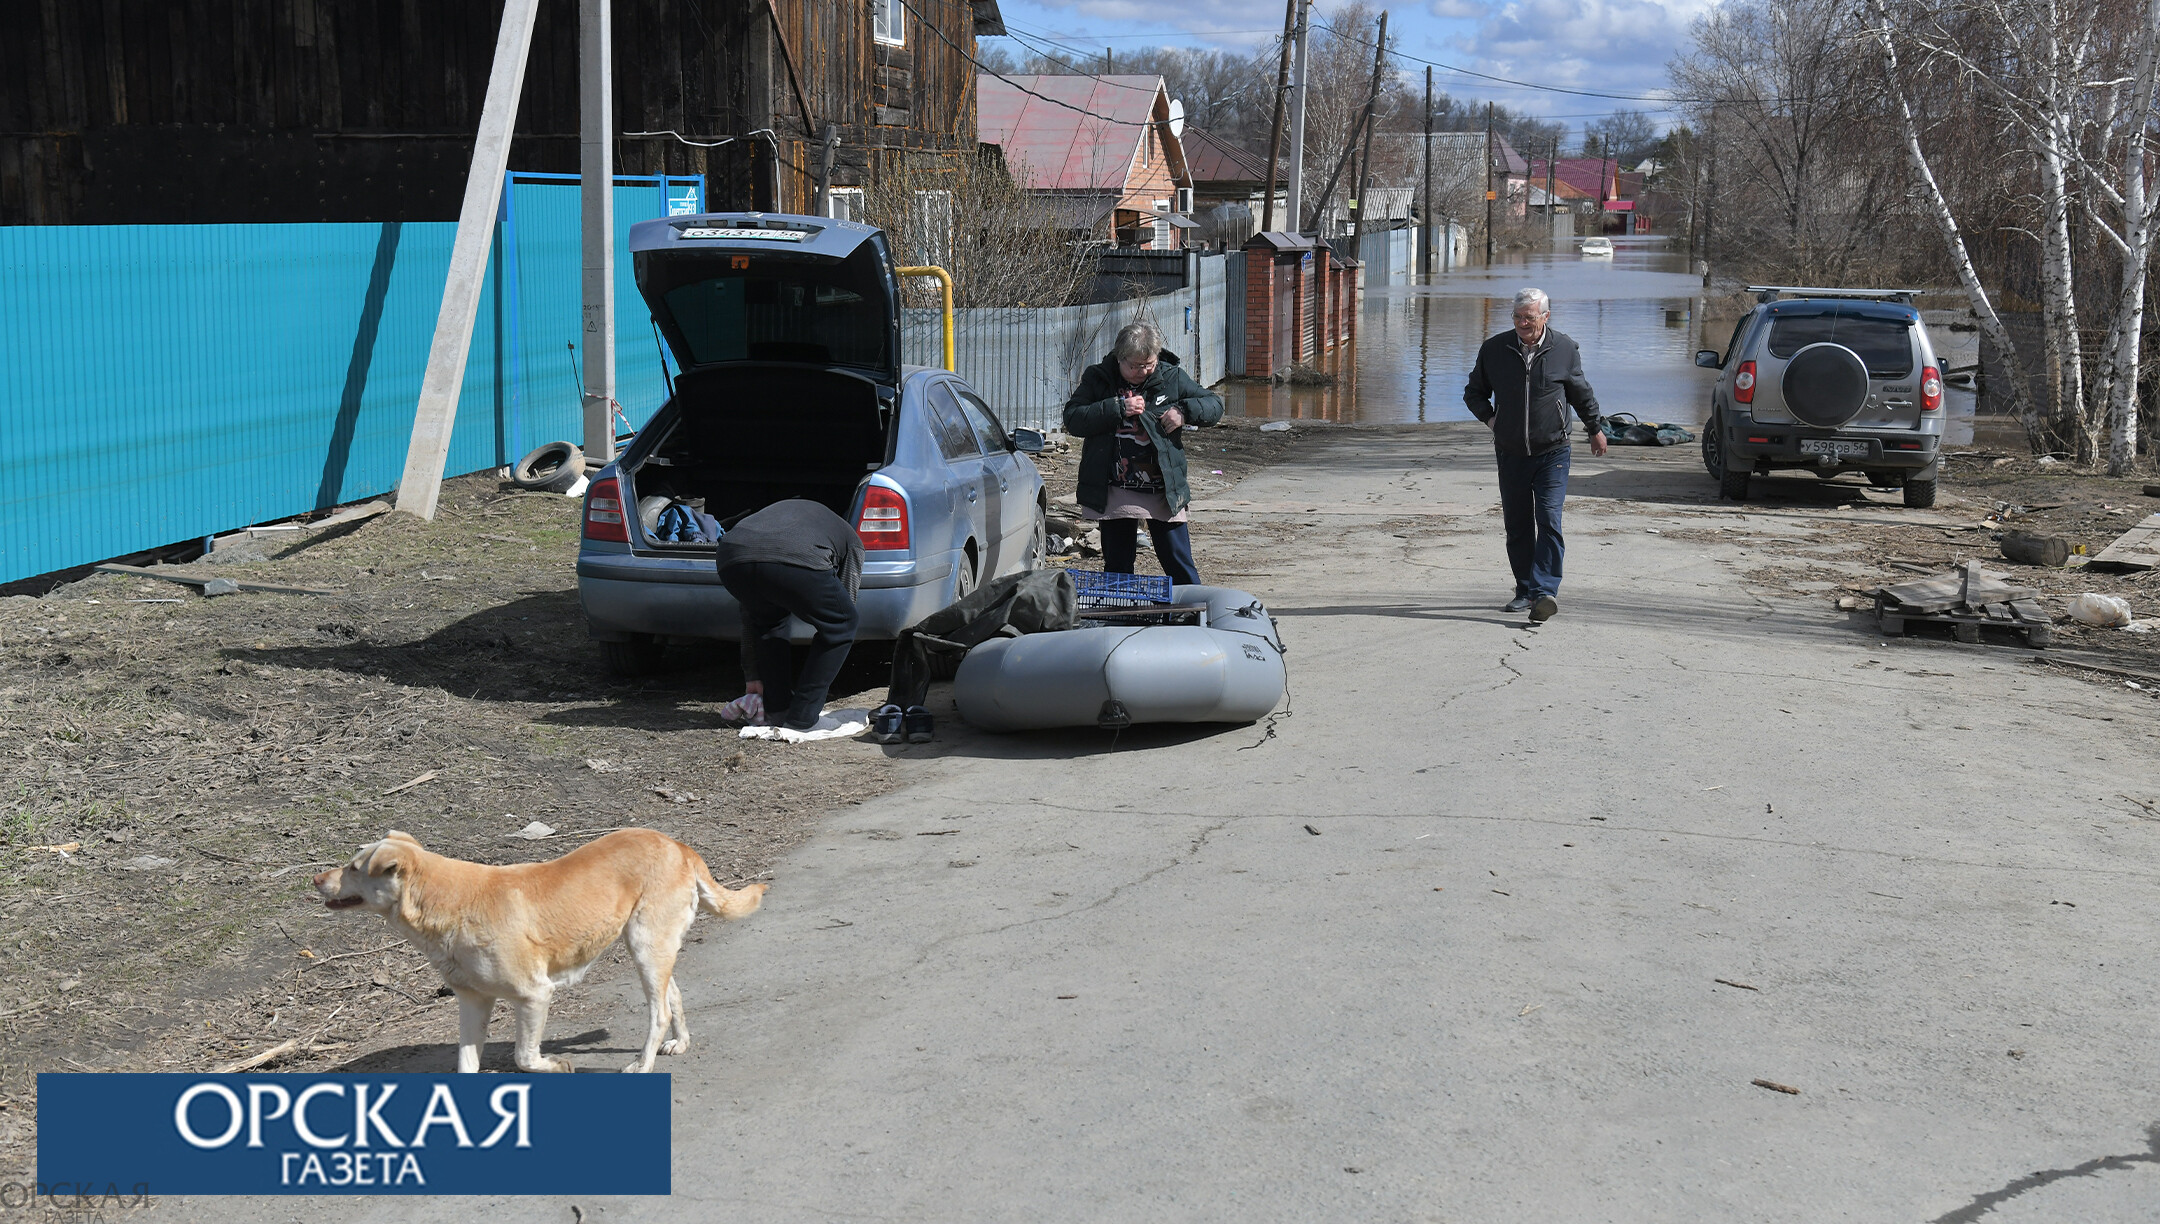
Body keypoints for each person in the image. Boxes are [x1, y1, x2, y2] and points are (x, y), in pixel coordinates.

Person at [1463, 288, 1607, 623]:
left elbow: (1581, 393)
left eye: (1529, 317)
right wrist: (1490, 418)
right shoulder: (1495, 349)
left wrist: (1595, 429)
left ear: (1545, 316)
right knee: (1518, 525)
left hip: (1552, 451)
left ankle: (1544, 592)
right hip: (1511, 451)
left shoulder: (1564, 349)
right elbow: (1474, 392)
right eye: (1517, 316)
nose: (1522, 323)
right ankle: (1525, 589)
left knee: (1549, 519)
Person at [1062, 320, 1224, 586]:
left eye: (1148, 364)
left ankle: (1191, 617)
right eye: (1134, 366)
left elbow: (1214, 404)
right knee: (1118, 564)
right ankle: (1122, 616)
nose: (1143, 372)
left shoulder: (1170, 376)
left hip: (1162, 489)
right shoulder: (1099, 378)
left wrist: (1183, 411)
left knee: (1177, 560)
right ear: (1119, 358)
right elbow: (1073, 418)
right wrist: (1116, 408)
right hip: (1114, 488)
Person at [715, 498, 864, 741]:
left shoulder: (793, 515)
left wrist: (752, 674)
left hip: (730, 556)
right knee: (843, 624)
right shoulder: (852, 540)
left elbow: (749, 616)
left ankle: (777, 709)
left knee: (769, 622)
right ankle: (802, 718)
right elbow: (843, 607)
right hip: (793, 556)